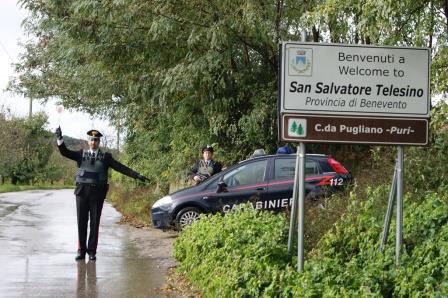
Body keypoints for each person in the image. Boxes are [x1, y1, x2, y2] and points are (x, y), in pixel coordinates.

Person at [55, 127, 148, 262]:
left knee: (94, 223)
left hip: (97, 194)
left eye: (96, 140)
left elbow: (120, 167)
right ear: (88, 141)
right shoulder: (81, 154)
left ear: (99, 142)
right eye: (92, 140)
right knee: (81, 222)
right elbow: (65, 152)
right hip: (82, 192)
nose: (94, 142)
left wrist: (136, 175)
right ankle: (81, 251)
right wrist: (59, 139)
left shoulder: (106, 157)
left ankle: (92, 251)